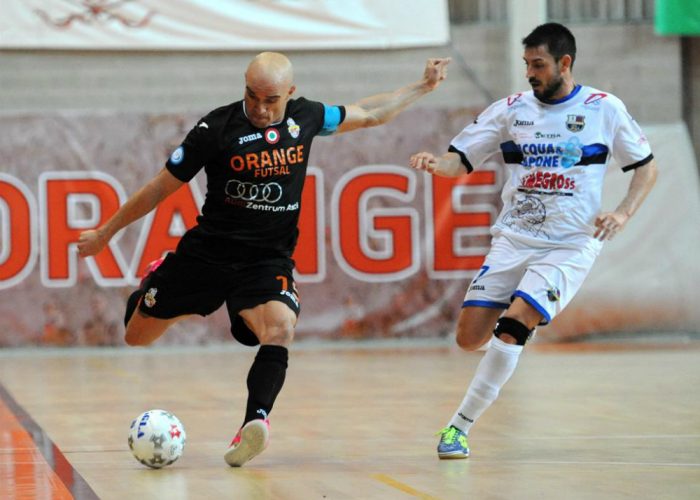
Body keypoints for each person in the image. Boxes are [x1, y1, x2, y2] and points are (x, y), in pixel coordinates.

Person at [77, 52, 450, 467]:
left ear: (289, 93)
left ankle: (255, 422)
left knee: (280, 328)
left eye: (270, 99)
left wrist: (422, 86)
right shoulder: (214, 128)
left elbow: (369, 113)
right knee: (136, 337)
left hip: (265, 261)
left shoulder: (306, 117)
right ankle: (158, 279)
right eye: (251, 96)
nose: (259, 107)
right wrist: (105, 233)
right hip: (207, 255)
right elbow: (158, 188)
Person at [409, 23, 657, 459]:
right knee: (468, 339)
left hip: (571, 245)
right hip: (514, 239)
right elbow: (459, 162)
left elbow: (646, 168)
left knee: (515, 323)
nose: (530, 73)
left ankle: (458, 428)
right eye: (527, 64)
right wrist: (436, 165)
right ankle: (514, 335)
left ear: (565, 63)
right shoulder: (510, 109)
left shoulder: (604, 108)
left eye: (538, 64)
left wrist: (622, 212)